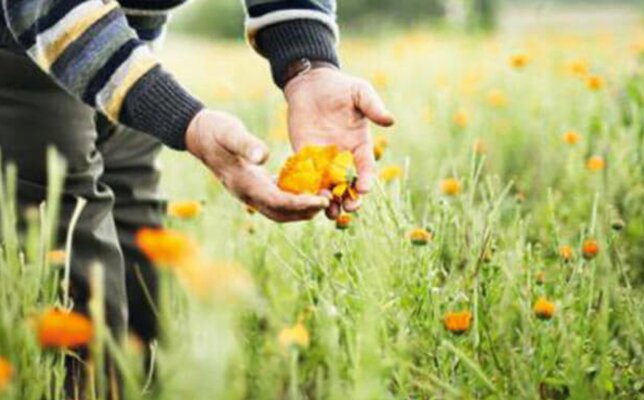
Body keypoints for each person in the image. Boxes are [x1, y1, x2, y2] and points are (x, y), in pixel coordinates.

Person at [0, 0, 394, 345]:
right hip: (23, 40)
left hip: (131, 42)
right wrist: (180, 118)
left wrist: (307, 66)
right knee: (67, 256)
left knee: (140, 243)